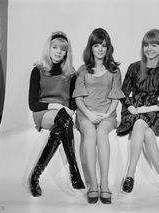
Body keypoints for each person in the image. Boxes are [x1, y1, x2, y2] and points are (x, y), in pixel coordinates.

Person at [116, 29, 159, 198]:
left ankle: (129, 175)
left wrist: (148, 109)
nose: (149, 48)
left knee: (142, 124)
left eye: (154, 44)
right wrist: (132, 108)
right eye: (146, 45)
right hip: (133, 110)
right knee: (146, 132)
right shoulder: (134, 67)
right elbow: (123, 93)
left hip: (153, 111)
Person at [28, 31, 85, 197]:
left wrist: (70, 109)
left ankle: (35, 176)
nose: (58, 51)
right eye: (55, 47)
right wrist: (55, 105)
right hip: (43, 112)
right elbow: (32, 104)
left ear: (67, 52)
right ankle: (74, 170)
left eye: (62, 49)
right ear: (49, 48)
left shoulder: (70, 73)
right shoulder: (37, 71)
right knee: (64, 119)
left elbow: (73, 100)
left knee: (62, 124)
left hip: (63, 115)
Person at [73, 28, 125, 204]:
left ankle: (104, 184)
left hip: (107, 114)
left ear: (108, 47)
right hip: (85, 114)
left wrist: (105, 115)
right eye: (96, 45)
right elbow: (78, 98)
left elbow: (116, 99)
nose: (100, 49)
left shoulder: (114, 70)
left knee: (102, 133)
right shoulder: (82, 69)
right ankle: (93, 185)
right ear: (91, 48)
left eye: (103, 45)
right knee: (89, 132)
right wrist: (88, 114)